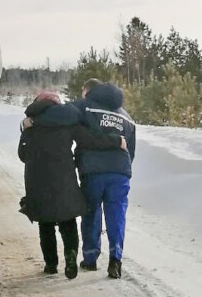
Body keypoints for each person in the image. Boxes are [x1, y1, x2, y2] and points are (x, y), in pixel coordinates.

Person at [32, 79, 136, 279]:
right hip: (121, 172)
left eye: (82, 91)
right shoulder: (127, 116)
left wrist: (33, 121)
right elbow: (130, 150)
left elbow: (56, 114)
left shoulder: (84, 106)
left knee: (91, 212)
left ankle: (90, 259)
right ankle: (116, 259)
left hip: (93, 171)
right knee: (117, 215)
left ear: (87, 90)